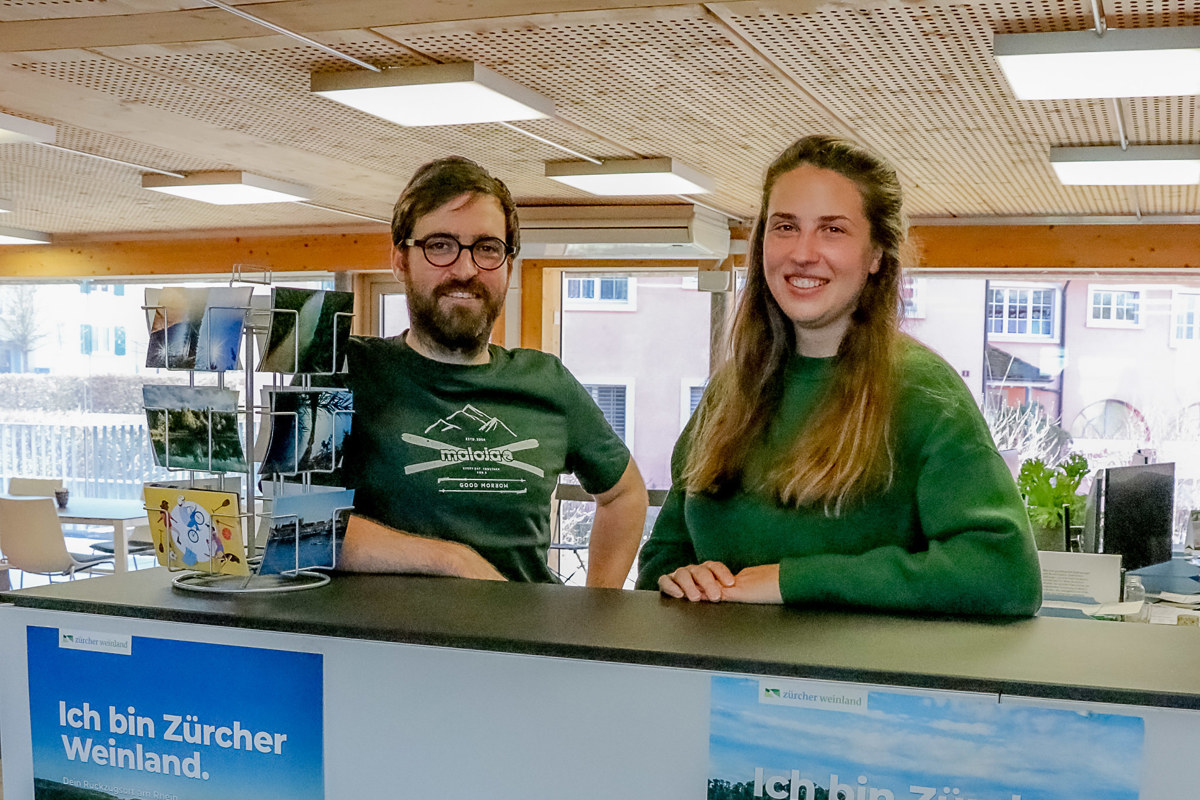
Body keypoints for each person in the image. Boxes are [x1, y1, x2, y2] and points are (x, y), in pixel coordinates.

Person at [635, 135, 1041, 615]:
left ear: (876, 255)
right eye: (785, 227)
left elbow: (1004, 574)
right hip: (717, 681)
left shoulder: (924, 393)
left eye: (833, 230)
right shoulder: (732, 390)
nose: (803, 253)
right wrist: (680, 576)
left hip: (854, 687)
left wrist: (795, 581)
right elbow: (663, 556)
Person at [339, 156, 648, 585]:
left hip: (521, 647)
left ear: (508, 265)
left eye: (487, 249)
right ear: (400, 260)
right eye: (440, 245)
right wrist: (452, 560)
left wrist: (596, 606)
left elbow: (625, 494)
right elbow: (297, 525)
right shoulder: (348, 371)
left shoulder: (546, 382)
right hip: (384, 646)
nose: (465, 270)